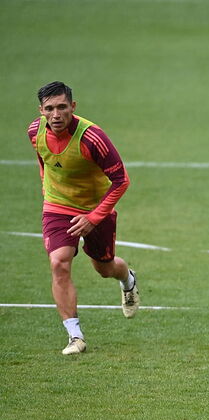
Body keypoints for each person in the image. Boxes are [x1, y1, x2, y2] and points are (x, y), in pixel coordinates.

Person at [27, 81, 140, 355]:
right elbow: (45, 161)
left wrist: (93, 217)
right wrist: (47, 190)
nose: (56, 115)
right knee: (59, 263)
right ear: (41, 110)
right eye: (50, 108)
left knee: (104, 268)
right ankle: (75, 337)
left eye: (62, 107)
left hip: (96, 208)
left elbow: (121, 180)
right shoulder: (34, 132)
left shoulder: (92, 138)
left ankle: (128, 280)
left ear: (73, 107)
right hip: (58, 206)